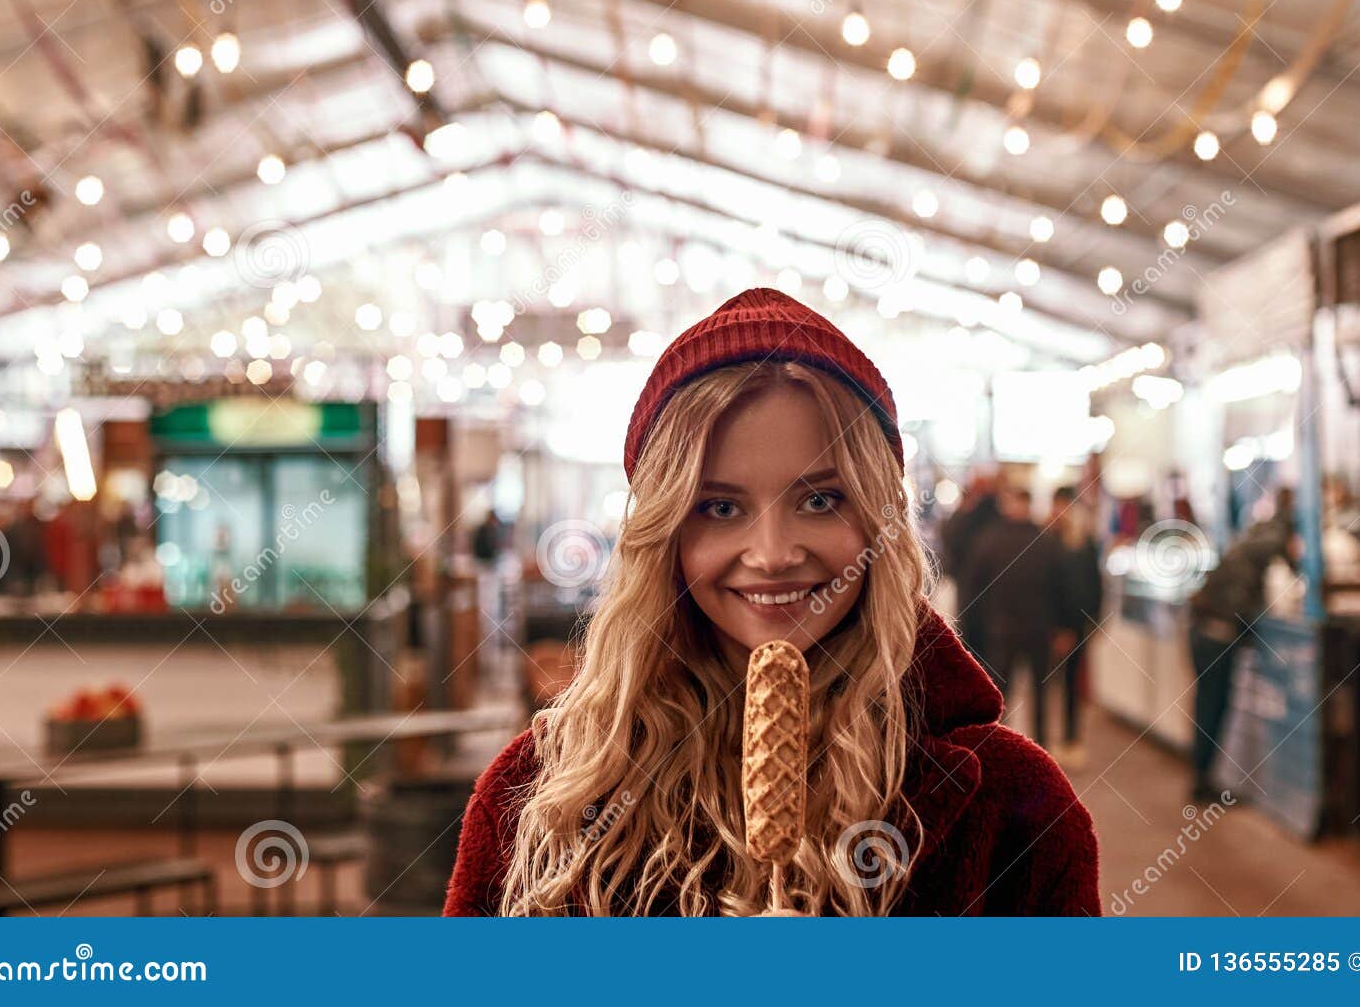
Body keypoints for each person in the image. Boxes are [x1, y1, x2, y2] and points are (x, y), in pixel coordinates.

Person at [444, 288, 1099, 916]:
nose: (773, 552)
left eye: (820, 500)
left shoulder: (1018, 805)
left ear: (879, 521)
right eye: (721, 507)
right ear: (663, 536)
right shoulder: (536, 792)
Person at [1186, 512, 1297, 804]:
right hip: (1216, 641)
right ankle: (1202, 781)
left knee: (1207, 707)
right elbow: (1239, 609)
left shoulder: (1245, 547)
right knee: (1212, 708)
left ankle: (1203, 776)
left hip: (1203, 637)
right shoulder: (1263, 554)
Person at [956, 487, 1067, 748]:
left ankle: (998, 750)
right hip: (1038, 630)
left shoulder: (988, 540)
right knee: (1041, 695)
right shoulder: (1046, 541)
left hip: (1000, 630)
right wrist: (1062, 627)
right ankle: (1042, 752)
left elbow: (972, 589)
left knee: (999, 696)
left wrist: (969, 630)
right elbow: (1060, 589)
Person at [1049, 486, 1102, 767]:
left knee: (1071, 686)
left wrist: (1085, 623)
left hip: (1074, 626)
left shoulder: (1082, 543)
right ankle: (1045, 742)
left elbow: (1092, 587)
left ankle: (1071, 740)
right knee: (1045, 685)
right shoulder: (1048, 539)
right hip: (1049, 627)